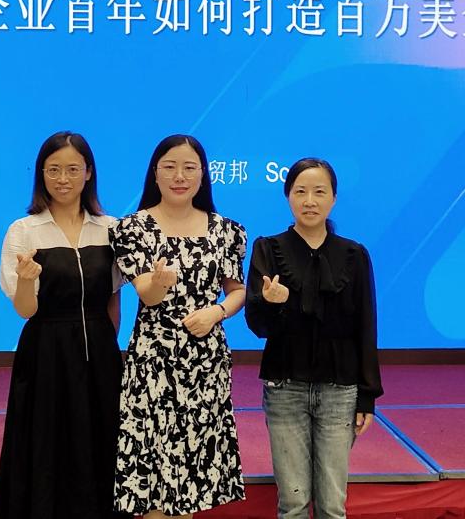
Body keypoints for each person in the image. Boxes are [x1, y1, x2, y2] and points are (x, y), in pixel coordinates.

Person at [111, 134, 247, 518]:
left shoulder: (226, 230)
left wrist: (217, 312)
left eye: (189, 167)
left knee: (191, 476)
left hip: (205, 364)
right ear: (155, 173)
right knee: (154, 473)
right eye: (169, 167)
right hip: (154, 362)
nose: (179, 176)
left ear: (203, 175)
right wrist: (160, 282)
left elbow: (237, 291)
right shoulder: (132, 228)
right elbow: (147, 295)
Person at [244, 158, 382, 519]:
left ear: (333, 198)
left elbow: (366, 325)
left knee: (332, 505)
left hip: (340, 390)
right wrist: (272, 303)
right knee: (292, 503)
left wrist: (367, 395)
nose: (309, 201)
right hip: (284, 386)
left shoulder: (354, 254)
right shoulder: (268, 249)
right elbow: (257, 325)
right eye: (300, 191)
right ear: (288, 195)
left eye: (319, 192)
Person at [0, 131, 123, 519]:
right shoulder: (24, 231)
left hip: (100, 350)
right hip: (45, 353)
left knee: (100, 439)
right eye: (53, 170)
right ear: (41, 174)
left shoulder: (111, 228)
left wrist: (106, 349)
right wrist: (27, 280)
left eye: (72, 169)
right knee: (45, 443)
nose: (62, 179)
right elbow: (25, 309)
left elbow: (113, 298)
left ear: (88, 173)